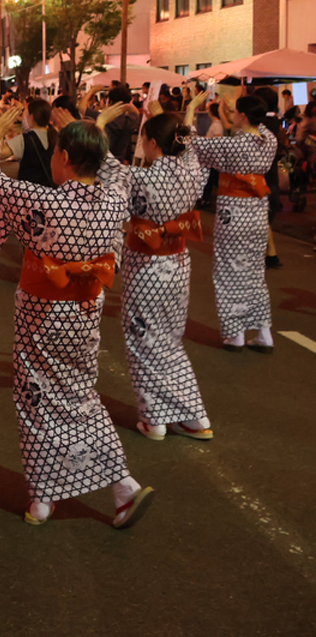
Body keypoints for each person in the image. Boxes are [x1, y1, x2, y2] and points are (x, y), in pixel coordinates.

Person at [0, 102, 155, 529]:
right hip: (85, 312)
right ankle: (113, 486)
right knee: (79, 395)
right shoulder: (114, 200)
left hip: (43, 311)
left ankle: (52, 495)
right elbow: (116, 170)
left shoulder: (44, 202)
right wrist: (96, 127)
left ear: (63, 158)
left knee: (37, 398)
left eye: (55, 152)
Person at [123, 93, 214, 440]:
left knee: (144, 339)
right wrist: (182, 115)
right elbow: (188, 145)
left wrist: (97, 127)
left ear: (150, 142)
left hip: (147, 265)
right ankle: (192, 417)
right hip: (178, 262)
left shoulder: (141, 178)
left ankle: (157, 419)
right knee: (170, 339)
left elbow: (103, 167)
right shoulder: (193, 166)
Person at [189, 92, 277, 352]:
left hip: (234, 215)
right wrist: (230, 112)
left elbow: (189, 142)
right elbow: (246, 128)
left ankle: (236, 333)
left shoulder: (233, 146)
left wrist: (192, 109)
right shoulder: (269, 139)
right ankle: (264, 333)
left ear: (242, 115)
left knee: (229, 273)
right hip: (258, 213)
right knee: (254, 274)